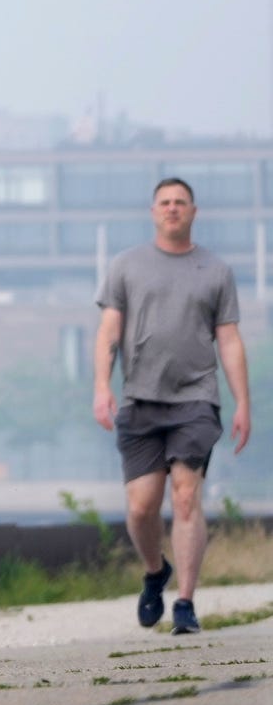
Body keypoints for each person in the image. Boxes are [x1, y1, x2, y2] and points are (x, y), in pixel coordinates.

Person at [93, 176, 252, 634]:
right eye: (165, 202)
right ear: (153, 212)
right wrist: (102, 386)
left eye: (181, 202)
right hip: (140, 400)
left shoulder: (216, 271)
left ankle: (185, 602)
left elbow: (229, 339)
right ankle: (153, 571)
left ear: (194, 212)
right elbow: (109, 332)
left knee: (186, 498)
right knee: (143, 508)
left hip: (196, 399)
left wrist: (242, 402)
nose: (173, 208)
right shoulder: (126, 266)